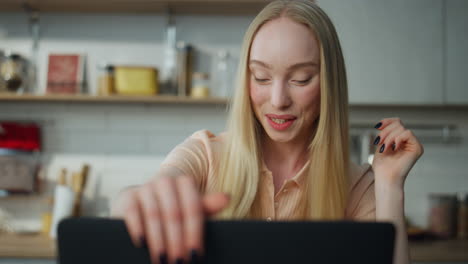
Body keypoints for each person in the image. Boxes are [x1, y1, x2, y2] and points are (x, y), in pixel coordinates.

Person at [111, 1, 424, 264]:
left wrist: (389, 185)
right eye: (261, 77)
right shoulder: (206, 155)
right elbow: (146, 194)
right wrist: (137, 199)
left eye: (301, 79)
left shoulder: (356, 187)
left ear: (330, 83)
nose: (278, 100)